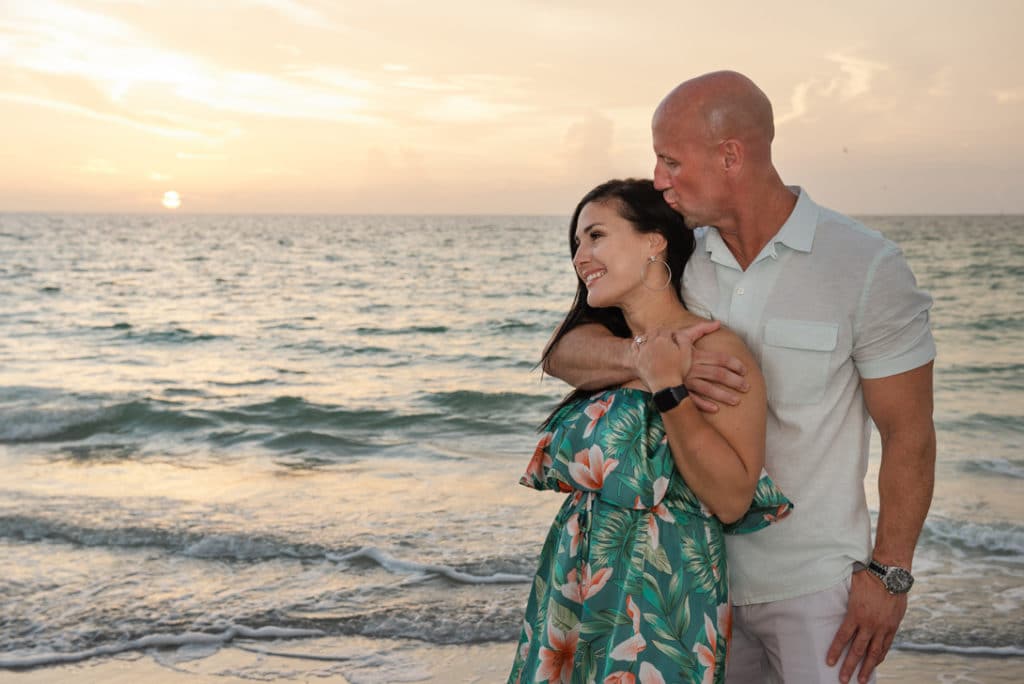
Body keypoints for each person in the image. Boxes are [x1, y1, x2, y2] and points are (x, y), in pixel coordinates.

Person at [544, 72, 936, 684]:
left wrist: (889, 575)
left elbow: (909, 433)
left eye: (671, 161)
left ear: (731, 155)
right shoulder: (679, 254)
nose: (659, 179)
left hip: (815, 589)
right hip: (690, 585)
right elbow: (567, 350)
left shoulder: (864, 265)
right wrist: (652, 357)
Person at [508, 178, 792, 684]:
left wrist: (668, 387)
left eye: (595, 235)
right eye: (576, 243)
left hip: (664, 583)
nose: (580, 256)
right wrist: (644, 361)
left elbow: (731, 498)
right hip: (576, 573)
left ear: (654, 241)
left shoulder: (716, 350)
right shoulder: (602, 345)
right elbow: (555, 356)